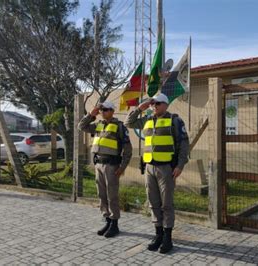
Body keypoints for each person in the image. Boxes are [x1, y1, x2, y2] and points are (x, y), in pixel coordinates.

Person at [125, 93, 189, 254]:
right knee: (153, 202)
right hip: (149, 167)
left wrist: (180, 165)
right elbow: (128, 122)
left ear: (166, 105)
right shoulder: (147, 120)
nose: (154, 106)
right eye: (153, 104)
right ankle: (158, 234)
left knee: (166, 204)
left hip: (166, 167)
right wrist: (140, 108)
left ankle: (168, 237)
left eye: (158, 103)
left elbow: (184, 144)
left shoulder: (175, 120)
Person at [78, 101, 132, 238]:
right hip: (98, 165)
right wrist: (91, 114)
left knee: (111, 195)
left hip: (111, 166)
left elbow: (128, 150)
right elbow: (81, 126)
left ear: (112, 111)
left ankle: (114, 224)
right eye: (101, 109)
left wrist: (122, 167)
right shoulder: (98, 125)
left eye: (106, 109)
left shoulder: (120, 127)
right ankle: (107, 220)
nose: (103, 112)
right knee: (101, 194)